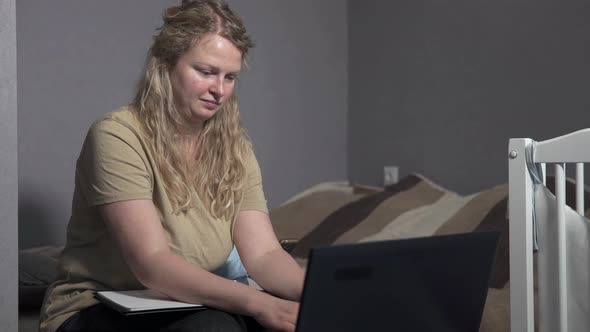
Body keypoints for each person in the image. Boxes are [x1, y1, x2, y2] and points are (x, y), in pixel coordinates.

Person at [39, 1, 305, 331]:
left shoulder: (236, 148)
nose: (219, 90)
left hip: (183, 300)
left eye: (230, 77)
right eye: (206, 72)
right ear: (165, 65)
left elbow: (264, 254)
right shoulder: (117, 135)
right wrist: (261, 303)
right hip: (98, 303)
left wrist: (316, 295)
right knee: (217, 326)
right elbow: (152, 264)